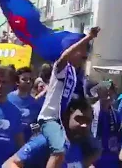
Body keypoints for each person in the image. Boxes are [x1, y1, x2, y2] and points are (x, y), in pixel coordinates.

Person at [37, 27, 100, 168]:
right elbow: (64, 57)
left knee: (96, 148)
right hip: (50, 119)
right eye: (82, 49)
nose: (86, 54)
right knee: (59, 150)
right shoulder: (61, 68)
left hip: (65, 122)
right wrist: (88, 37)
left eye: (87, 51)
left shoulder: (79, 75)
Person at [3, 98, 93, 168]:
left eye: (87, 121)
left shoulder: (81, 144)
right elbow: (10, 163)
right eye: (79, 119)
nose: (84, 125)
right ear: (67, 116)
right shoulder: (45, 141)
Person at [91, 82, 121, 168]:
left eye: (111, 92)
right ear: (99, 93)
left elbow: (119, 136)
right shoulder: (91, 112)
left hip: (112, 159)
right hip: (95, 159)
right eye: (105, 92)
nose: (108, 95)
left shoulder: (116, 114)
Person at [8, 67, 42, 141]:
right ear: (17, 82)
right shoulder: (7, 99)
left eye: (30, 79)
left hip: (25, 145)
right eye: (24, 79)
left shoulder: (35, 104)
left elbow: (37, 126)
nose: (28, 81)